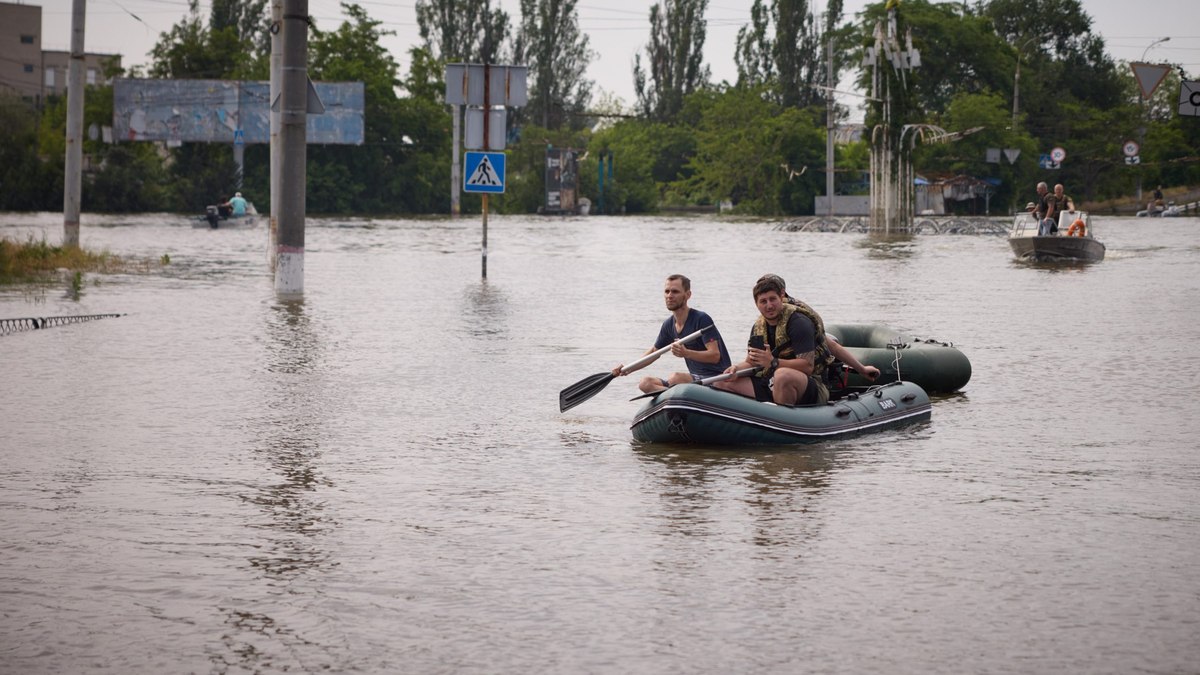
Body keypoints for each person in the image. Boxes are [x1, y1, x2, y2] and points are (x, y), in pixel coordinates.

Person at [715, 276, 868, 407]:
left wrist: (773, 362)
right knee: (721, 382)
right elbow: (752, 362)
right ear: (757, 304)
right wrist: (735, 369)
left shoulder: (799, 323)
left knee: (782, 375)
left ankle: (782, 423)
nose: (769, 305)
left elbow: (807, 366)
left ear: (781, 298)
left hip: (811, 383)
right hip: (771, 382)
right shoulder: (758, 327)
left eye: (773, 299)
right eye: (763, 301)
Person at [611, 274, 732, 394]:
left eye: (675, 292)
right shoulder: (668, 325)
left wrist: (687, 353)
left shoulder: (701, 319)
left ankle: (676, 395)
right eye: (667, 291)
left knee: (676, 378)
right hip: (694, 378)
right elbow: (654, 352)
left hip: (715, 378)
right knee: (645, 383)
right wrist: (627, 369)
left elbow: (715, 356)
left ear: (688, 295)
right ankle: (675, 397)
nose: (669, 296)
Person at [761, 273, 880, 389]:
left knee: (784, 376)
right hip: (777, 377)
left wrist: (861, 369)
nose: (769, 304)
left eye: (772, 296)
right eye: (762, 298)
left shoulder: (798, 319)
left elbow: (829, 344)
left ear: (781, 293)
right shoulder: (765, 321)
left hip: (808, 380)